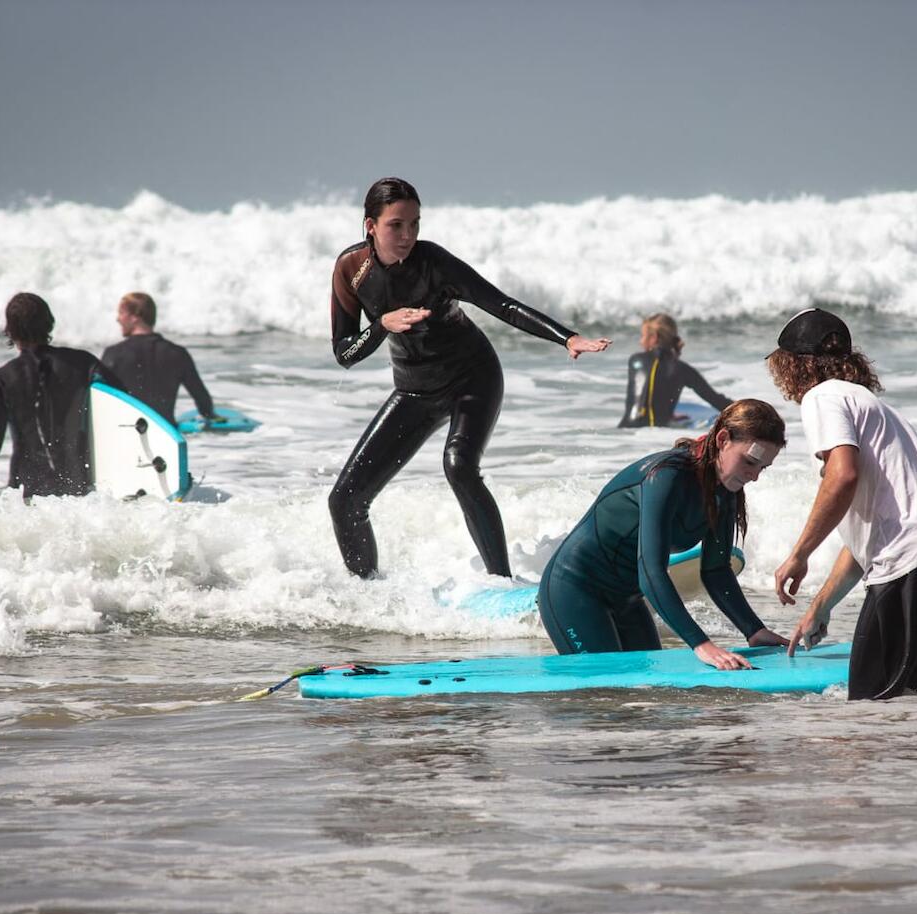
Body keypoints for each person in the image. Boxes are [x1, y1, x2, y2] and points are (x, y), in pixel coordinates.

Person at [328, 177, 612, 579]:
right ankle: (368, 592)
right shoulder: (350, 269)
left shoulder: (434, 263)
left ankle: (502, 582)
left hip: (472, 377)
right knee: (345, 499)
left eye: (415, 223)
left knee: (459, 466)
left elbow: (502, 304)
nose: (408, 235)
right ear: (370, 225)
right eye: (396, 225)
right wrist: (382, 326)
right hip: (414, 390)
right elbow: (344, 353)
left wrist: (566, 336)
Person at [767, 308, 917, 700]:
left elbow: (843, 476)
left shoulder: (822, 396)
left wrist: (799, 555)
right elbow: (868, 539)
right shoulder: (873, 407)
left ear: (794, 365)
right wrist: (820, 608)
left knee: (869, 709)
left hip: (916, 566)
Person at [539, 398, 789, 670]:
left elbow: (715, 571)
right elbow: (651, 571)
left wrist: (753, 630)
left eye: (762, 468)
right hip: (575, 589)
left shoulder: (725, 491)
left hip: (628, 599)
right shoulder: (665, 476)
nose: (754, 476)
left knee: (646, 693)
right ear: (723, 439)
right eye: (750, 462)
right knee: (604, 695)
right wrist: (701, 644)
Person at [0, 292, 118, 503]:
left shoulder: (2, 379)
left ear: (10, 330)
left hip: (26, 496)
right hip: (79, 491)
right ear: (49, 322)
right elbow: (120, 404)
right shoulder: (83, 363)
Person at [100, 292, 217, 425]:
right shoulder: (177, 354)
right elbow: (203, 400)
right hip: (164, 436)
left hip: (125, 435)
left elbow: (99, 400)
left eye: (121, 313)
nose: (118, 319)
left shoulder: (114, 354)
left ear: (135, 317)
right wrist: (208, 416)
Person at [618, 313, 734, 428]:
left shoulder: (635, 360)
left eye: (642, 336)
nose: (641, 341)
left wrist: (667, 414)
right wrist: (746, 411)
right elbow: (715, 400)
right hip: (655, 436)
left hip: (626, 432)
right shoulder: (682, 369)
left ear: (653, 338)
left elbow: (648, 393)